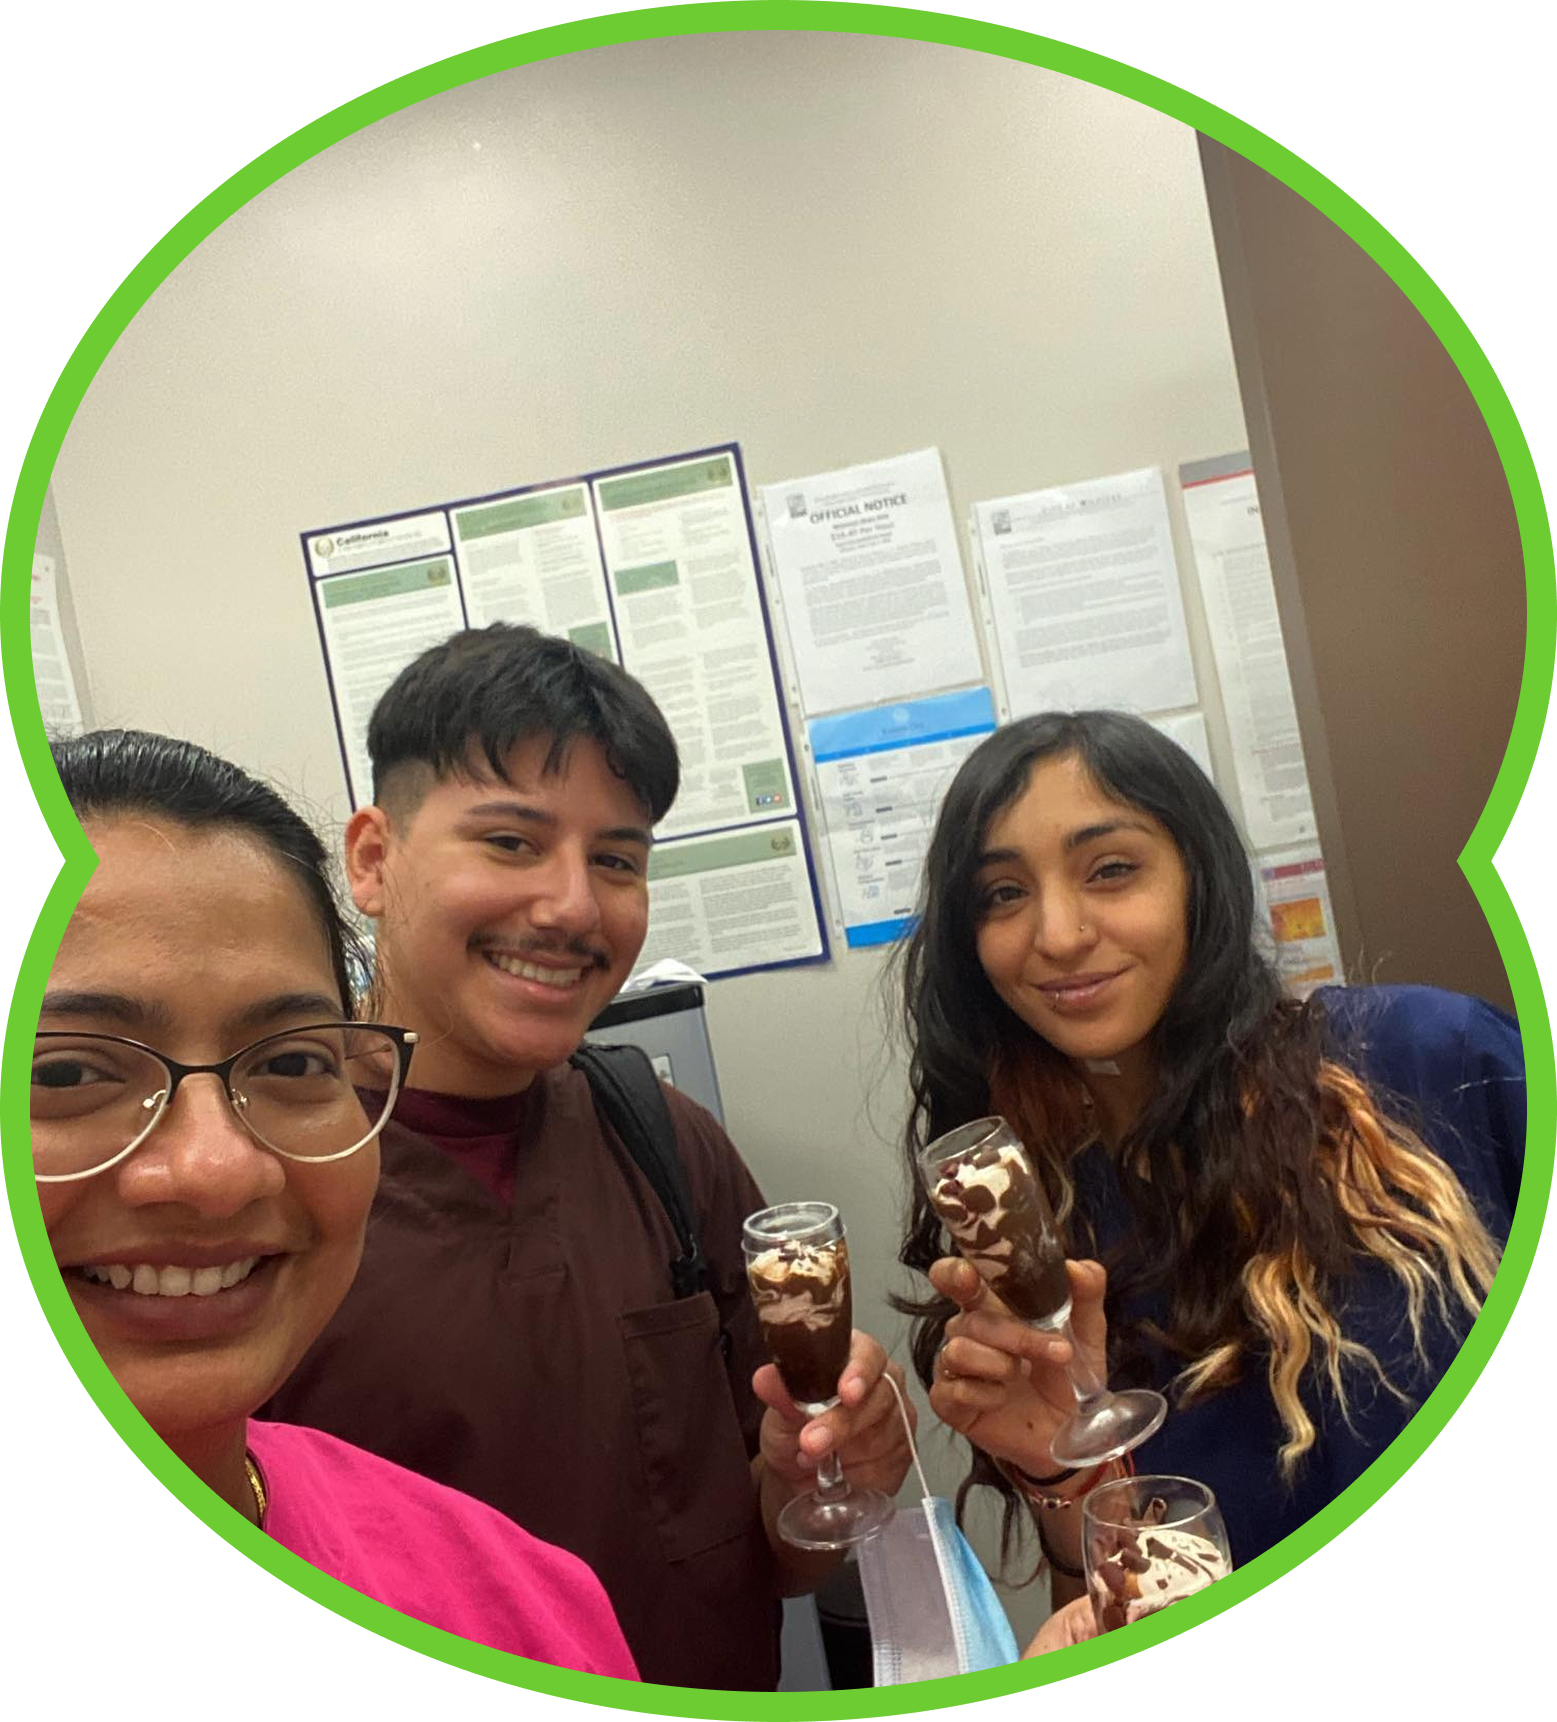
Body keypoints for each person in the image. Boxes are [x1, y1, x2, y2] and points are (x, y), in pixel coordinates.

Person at [263, 623, 914, 1690]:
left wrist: (848, 1476)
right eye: (513, 843)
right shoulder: (273, 1181)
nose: (572, 906)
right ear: (374, 859)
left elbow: (789, 1556)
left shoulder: (662, 1140)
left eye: (616, 860)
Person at [34, 728, 638, 1678]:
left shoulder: (522, 1607)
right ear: (379, 858)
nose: (217, 1169)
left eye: (289, 1063)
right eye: (65, 1071)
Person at [892, 710, 1523, 1613]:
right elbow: (1112, 1604)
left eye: (1110, 870)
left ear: (1200, 879)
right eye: (1001, 894)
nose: (1059, 933)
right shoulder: (1034, 1237)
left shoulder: (1424, 1062)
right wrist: (1061, 1470)